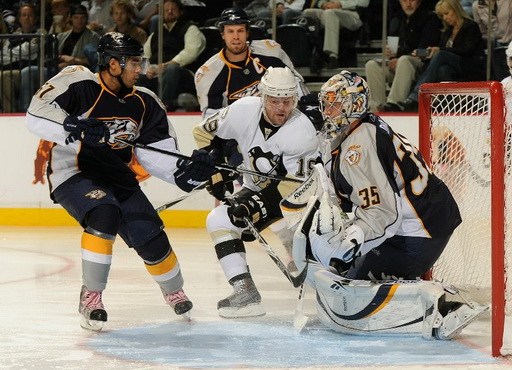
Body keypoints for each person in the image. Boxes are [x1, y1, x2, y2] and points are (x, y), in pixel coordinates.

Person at [25, 32, 217, 331]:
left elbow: (158, 154)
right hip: (75, 172)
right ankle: (91, 296)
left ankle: (174, 291)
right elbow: (36, 114)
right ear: (113, 64)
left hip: (118, 175)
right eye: (135, 63)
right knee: (104, 212)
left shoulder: (145, 101)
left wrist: (187, 170)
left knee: (150, 236)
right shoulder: (79, 83)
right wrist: (73, 126)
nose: (140, 69)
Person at [287, 70, 487, 339]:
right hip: (423, 216)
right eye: (327, 102)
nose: (328, 110)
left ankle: (443, 304)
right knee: (345, 266)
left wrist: (351, 241)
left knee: (352, 279)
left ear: (354, 104)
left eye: (335, 102)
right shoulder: (359, 129)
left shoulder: (359, 146)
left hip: (419, 228)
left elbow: (384, 214)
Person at [193, 67, 320, 318]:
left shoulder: (302, 131)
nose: (281, 108)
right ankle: (245, 291)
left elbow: (293, 190)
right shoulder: (243, 109)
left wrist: (253, 206)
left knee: (314, 256)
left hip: (302, 200)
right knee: (218, 218)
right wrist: (217, 167)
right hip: (256, 189)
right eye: (274, 101)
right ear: (263, 97)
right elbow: (203, 132)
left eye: (287, 100)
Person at [194, 7, 308, 119]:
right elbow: (211, 117)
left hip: (280, 121)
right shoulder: (209, 73)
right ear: (222, 35)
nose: (236, 37)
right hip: (238, 130)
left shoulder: (271, 53)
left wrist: (307, 108)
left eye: (240, 31)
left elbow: (296, 84)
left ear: (247, 33)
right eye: (230, 31)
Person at [398, 0, 485, 112]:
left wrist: (440, 50)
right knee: (443, 70)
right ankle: (445, 105)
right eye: (442, 15)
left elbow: (468, 50)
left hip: (470, 65)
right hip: (452, 66)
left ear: (455, 10)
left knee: (441, 54)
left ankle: (416, 96)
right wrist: (429, 55)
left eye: (447, 13)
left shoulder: (470, 26)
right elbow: (441, 52)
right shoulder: (447, 31)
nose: (445, 18)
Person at [365, 0, 441, 112]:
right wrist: (392, 54)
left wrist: (401, 57)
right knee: (371, 65)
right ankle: (377, 106)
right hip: (400, 63)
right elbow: (395, 46)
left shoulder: (430, 18)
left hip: (421, 65)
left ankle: (394, 104)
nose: (408, 4)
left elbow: (426, 50)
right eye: (405, 0)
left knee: (404, 60)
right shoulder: (397, 19)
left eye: (412, 0)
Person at [136, 0, 205, 112]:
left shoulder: (190, 28)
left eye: (173, 9)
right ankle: (142, 110)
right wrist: (146, 69)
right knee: (140, 74)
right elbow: (144, 55)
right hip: (157, 71)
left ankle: (164, 108)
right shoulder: (156, 33)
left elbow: (190, 51)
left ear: (181, 12)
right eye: (166, 10)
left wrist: (167, 65)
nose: (170, 12)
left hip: (182, 71)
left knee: (172, 70)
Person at [302, 0, 370, 70]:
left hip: (352, 14)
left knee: (330, 13)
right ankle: (312, 56)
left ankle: (333, 57)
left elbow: (364, 3)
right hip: (329, 12)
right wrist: (324, 4)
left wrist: (340, 4)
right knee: (308, 13)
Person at [1, 3, 41, 113]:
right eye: (24, 15)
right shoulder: (14, 34)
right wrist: (18, 56)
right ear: (19, 18)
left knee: (5, 75)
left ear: (35, 18)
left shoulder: (39, 33)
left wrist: (11, 53)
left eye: (30, 15)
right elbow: (4, 55)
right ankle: (7, 111)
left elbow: (28, 50)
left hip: (32, 69)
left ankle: (14, 111)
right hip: (14, 68)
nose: (27, 18)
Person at [57, 4, 100, 70]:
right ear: (71, 18)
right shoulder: (61, 36)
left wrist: (74, 61)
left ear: (86, 18)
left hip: (79, 70)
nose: (79, 21)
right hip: (58, 68)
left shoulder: (93, 37)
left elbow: (95, 60)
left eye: (82, 18)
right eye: (76, 18)